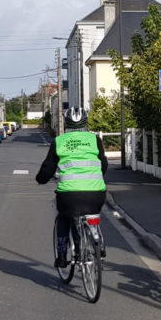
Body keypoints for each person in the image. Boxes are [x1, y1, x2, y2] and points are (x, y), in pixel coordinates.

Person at [35, 107, 109, 270]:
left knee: (64, 216)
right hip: (96, 193)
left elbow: (48, 167)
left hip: (69, 195)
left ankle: (61, 255)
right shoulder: (95, 140)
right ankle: (98, 243)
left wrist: (41, 179)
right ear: (85, 122)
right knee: (92, 214)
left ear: (66, 123)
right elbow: (103, 164)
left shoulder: (59, 141)